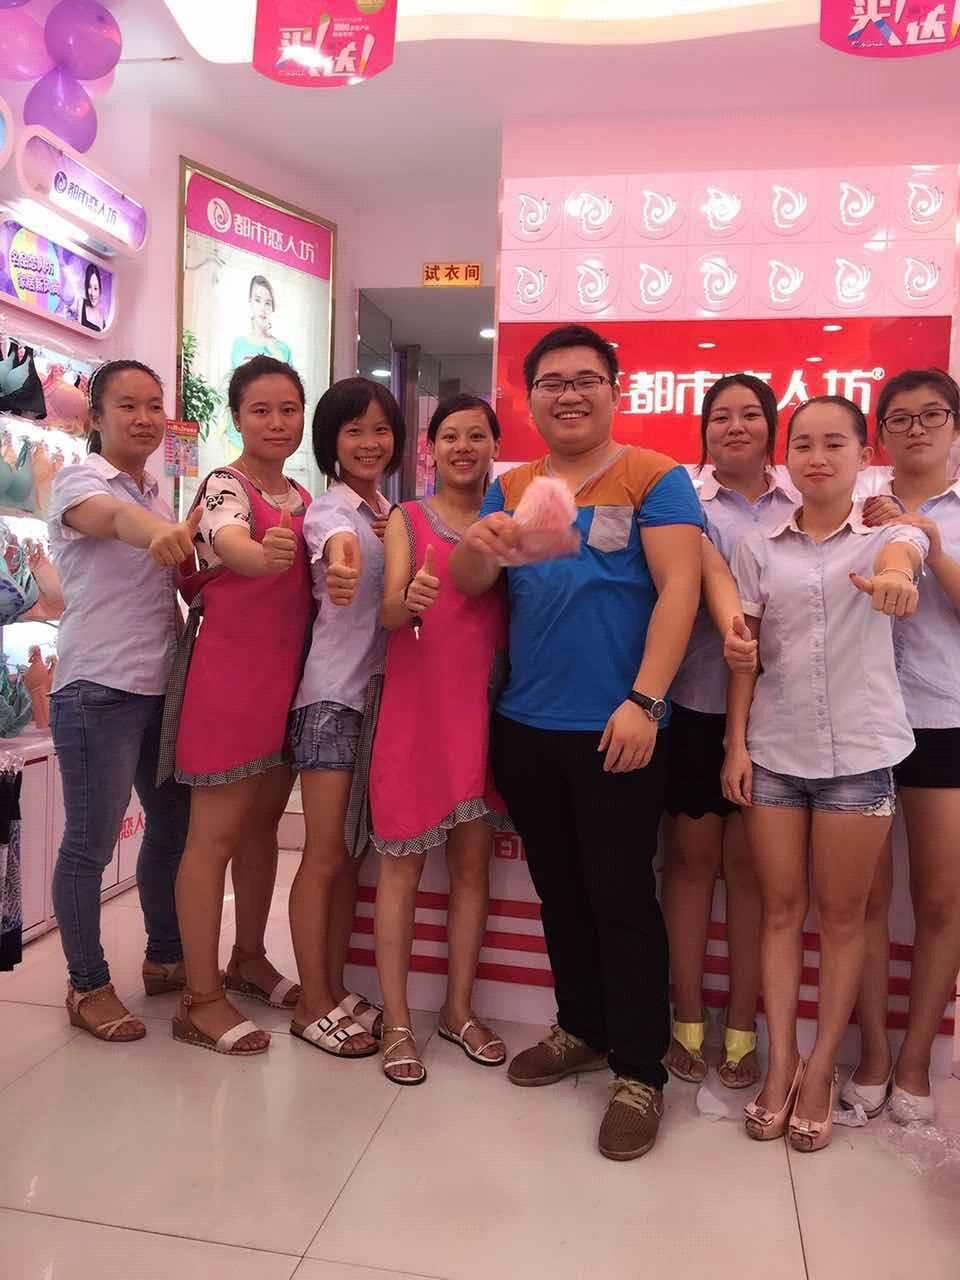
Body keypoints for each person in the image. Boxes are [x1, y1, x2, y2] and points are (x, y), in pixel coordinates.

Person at [451, 324, 703, 1162]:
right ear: (530, 397)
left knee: (622, 897)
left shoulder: (655, 477)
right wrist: (479, 546)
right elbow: (472, 583)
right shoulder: (512, 484)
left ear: (614, 391)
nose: (569, 394)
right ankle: (582, 1027)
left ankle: (639, 1071)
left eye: (586, 379)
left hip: (618, 727)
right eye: (552, 381)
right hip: (527, 723)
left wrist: (645, 701)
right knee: (559, 890)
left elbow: (680, 591)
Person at [721, 395, 927, 1153]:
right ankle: (782, 1063)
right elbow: (744, 654)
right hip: (774, 751)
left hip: (860, 759)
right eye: (803, 443)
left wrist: (897, 579)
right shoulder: (758, 546)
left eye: (834, 443)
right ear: (786, 457)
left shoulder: (889, 536)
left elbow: (906, 560)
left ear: (864, 453)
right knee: (779, 913)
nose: (817, 456)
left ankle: (820, 1072)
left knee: (843, 922)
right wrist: (734, 745)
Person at [47, 360, 198, 1041]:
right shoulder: (80, 482)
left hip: (159, 688)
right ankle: (87, 984)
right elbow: (110, 521)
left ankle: (165, 956)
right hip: (98, 689)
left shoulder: (157, 493)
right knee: (90, 843)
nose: (144, 418)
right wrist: (159, 533)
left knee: (172, 827)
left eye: (154, 405)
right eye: (128, 405)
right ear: (95, 417)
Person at [168, 356, 312, 1056]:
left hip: (285, 691)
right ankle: (200, 999)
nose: (276, 422)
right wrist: (261, 555)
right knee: (213, 840)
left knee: (260, 833)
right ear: (236, 418)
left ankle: (249, 958)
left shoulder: (303, 496)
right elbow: (230, 542)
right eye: (261, 410)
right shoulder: (226, 486)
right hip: (227, 689)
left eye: (288, 409)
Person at [663, 375, 798, 1090]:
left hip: (776, 716)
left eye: (750, 415)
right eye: (721, 417)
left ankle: (743, 1022)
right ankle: (686, 1013)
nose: (736, 426)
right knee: (689, 866)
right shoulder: (681, 501)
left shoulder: (801, 503)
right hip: (692, 703)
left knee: (752, 876)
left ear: (771, 427)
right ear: (704, 430)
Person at [371, 394, 510, 1085]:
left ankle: (457, 1011)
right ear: (430, 448)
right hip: (416, 714)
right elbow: (388, 612)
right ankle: (397, 1021)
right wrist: (410, 602)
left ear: (493, 447)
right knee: (400, 869)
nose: (463, 447)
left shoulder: (508, 522)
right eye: (450, 436)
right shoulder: (407, 518)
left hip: (484, 715)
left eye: (476, 436)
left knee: (472, 869)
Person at [844, 369, 960, 1125]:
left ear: (955, 426)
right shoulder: (855, 506)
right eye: (900, 417)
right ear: (881, 434)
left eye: (932, 414)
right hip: (862, 721)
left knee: (940, 899)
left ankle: (916, 1061)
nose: (916, 428)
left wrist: (928, 544)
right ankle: (874, 1055)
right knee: (865, 900)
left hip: (945, 718)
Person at [286, 377, 404, 1058]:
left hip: (375, 704)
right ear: (331, 440)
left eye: (380, 429)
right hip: (332, 703)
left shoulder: (388, 511)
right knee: (325, 856)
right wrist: (342, 567)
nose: (369, 442)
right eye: (354, 430)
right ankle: (310, 1003)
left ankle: (329, 986)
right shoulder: (331, 511)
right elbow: (338, 550)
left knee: (351, 858)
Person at [230, 276, 292, 368]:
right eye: (257, 300)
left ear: (272, 308)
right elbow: (233, 376)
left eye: (267, 303)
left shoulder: (284, 349)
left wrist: (276, 354)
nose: (263, 308)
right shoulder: (239, 344)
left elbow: (290, 377)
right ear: (250, 302)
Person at [80, 264, 105, 333]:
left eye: (95, 288)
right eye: (89, 287)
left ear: (100, 289)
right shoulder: (81, 304)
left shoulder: (103, 317)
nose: (92, 294)